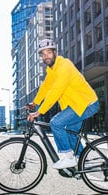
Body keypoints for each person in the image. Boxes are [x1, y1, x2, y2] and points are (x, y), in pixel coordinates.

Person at [27, 39, 99, 169]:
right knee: (71, 133)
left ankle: (68, 157)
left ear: (55, 52)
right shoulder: (51, 70)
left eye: (48, 52)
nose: (45, 56)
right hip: (76, 106)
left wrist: (40, 111)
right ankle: (82, 162)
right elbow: (46, 87)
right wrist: (35, 102)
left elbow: (56, 90)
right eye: (42, 54)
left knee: (56, 123)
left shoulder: (64, 65)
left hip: (86, 103)